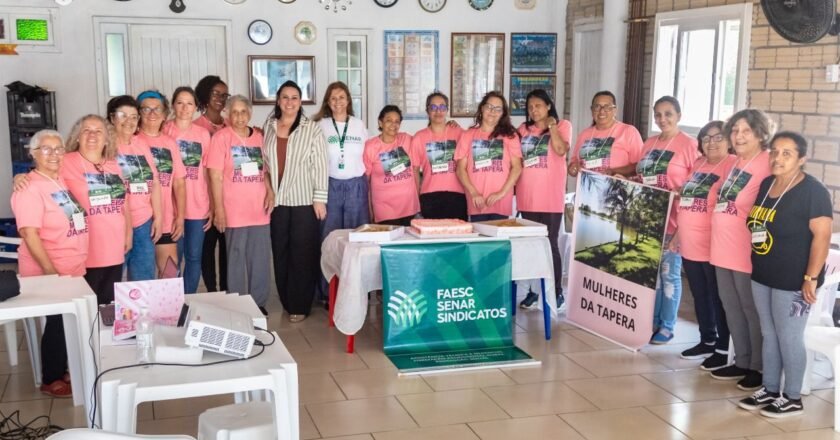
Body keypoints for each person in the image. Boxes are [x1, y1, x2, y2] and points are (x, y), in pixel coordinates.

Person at [738, 131, 833, 418]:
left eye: (787, 153)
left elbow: (822, 237)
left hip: (795, 278)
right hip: (764, 272)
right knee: (769, 334)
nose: (778, 158)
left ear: (801, 159)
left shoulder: (813, 192)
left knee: (789, 336)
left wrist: (811, 278)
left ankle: (792, 396)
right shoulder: (767, 184)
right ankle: (769, 388)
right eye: (775, 152)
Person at [13, 116, 131, 304]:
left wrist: (128, 232)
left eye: (98, 131)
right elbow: (39, 175)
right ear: (77, 137)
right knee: (84, 310)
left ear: (107, 138)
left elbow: (124, 202)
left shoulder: (113, 164)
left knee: (107, 306)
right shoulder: (64, 162)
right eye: (86, 130)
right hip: (85, 254)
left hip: (109, 248)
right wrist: (20, 178)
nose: (92, 135)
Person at [12, 130, 89, 397]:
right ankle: (51, 377)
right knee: (57, 322)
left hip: (71, 268)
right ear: (33, 154)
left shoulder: (59, 181)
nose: (54, 154)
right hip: (49, 270)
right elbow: (29, 234)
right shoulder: (29, 188)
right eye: (46, 149)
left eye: (58, 149)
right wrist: (50, 273)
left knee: (67, 320)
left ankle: (63, 366)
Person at [709, 109, 774, 390]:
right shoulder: (735, 163)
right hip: (722, 247)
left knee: (751, 308)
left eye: (746, 131)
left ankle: (759, 367)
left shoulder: (767, 163)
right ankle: (742, 361)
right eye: (735, 131)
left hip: (746, 248)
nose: (739, 136)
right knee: (731, 306)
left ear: (760, 134)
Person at [263, 80, 328, 323]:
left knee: (302, 254)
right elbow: (265, 165)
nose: (289, 102)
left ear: (301, 102)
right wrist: (268, 190)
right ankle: (287, 301)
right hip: (278, 203)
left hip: (303, 201)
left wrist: (319, 199)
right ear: (278, 101)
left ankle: (300, 304)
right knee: (280, 253)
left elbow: (320, 165)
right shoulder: (268, 126)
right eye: (285, 97)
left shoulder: (311, 128)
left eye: (294, 97)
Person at [636, 96, 700, 344]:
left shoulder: (688, 145)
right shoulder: (649, 143)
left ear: (679, 116)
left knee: (670, 274)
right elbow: (642, 177)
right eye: (658, 115)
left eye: (668, 114)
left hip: (676, 221)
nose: (662, 119)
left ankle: (668, 325)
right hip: (649, 217)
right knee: (652, 275)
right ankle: (653, 320)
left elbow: (695, 185)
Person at [677, 121, 737, 370]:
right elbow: (687, 201)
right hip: (690, 242)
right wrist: (676, 236)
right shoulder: (698, 164)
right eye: (706, 138)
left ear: (729, 140)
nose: (711, 142)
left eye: (718, 137)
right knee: (700, 294)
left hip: (714, 245)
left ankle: (723, 349)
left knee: (718, 298)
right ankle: (707, 340)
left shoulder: (732, 165)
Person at [208, 95, 273, 315]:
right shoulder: (221, 138)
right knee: (235, 257)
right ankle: (237, 303)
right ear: (227, 114)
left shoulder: (259, 138)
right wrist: (219, 209)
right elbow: (215, 176)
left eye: (243, 112)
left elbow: (264, 171)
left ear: (250, 113)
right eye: (234, 112)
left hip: (259, 209)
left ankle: (258, 302)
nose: (238, 117)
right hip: (233, 209)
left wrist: (270, 191)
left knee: (260, 258)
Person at [514, 89, 571, 310]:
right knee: (531, 247)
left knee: (550, 245)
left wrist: (552, 126)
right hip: (527, 197)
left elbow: (560, 149)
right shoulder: (523, 130)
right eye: (529, 107)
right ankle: (534, 291)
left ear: (548, 105)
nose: (533, 110)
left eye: (538, 105)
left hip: (550, 197)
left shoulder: (563, 125)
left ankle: (556, 291)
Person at [313, 82, 369, 304]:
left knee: (357, 239)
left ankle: (357, 292)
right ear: (328, 101)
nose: (337, 102)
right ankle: (328, 293)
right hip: (330, 186)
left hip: (356, 186)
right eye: (333, 98)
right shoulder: (320, 125)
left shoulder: (358, 125)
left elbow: (367, 155)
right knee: (329, 241)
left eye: (342, 97)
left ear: (348, 100)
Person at [108, 95, 162, 281]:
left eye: (133, 116)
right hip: (116, 224)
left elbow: (154, 181)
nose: (129, 121)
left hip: (144, 222)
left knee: (144, 280)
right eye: (123, 115)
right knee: (113, 280)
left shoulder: (141, 144)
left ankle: (141, 312)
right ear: (112, 117)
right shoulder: (104, 146)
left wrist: (158, 216)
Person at [163, 87, 212, 293]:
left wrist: (212, 204)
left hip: (198, 205)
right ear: (173, 105)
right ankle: (170, 299)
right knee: (171, 258)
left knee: (194, 257)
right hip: (170, 206)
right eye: (180, 103)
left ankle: (189, 297)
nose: (184, 108)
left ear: (195, 108)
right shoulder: (164, 130)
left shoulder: (202, 134)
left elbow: (208, 170)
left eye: (189, 103)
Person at [136, 90, 187, 277]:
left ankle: (166, 307)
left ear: (165, 114)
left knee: (169, 273)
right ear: (138, 113)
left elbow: (179, 183)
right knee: (141, 277)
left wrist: (180, 217)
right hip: (138, 220)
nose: (152, 113)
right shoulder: (131, 141)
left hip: (165, 218)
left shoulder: (169, 143)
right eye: (146, 109)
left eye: (157, 109)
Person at [455, 91, 523, 221]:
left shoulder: (510, 136)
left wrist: (501, 193)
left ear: (503, 113)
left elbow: (517, 167)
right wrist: (474, 193)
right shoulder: (467, 135)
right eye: (489, 107)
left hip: (501, 201)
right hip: (477, 202)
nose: (492, 111)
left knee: (498, 241)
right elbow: (460, 169)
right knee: (479, 240)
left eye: (498, 109)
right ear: (482, 108)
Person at [194, 75, 229, 293]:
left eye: (224, 95)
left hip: (229, 199)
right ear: (205, 94)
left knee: (227, 250)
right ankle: (212, 291)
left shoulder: (230, 126)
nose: (220, 98)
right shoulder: (196, 127)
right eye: (216, 93)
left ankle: (226, 290)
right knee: (206, 250)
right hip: (204, 200)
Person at [412, 92, 467, 220]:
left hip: (457, 196)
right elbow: (415, 170)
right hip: (429, 197)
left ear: (447, 110)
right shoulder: (419, 137)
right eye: (433, 107)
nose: (438, 111)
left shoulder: (459, 133)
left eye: (442, 107)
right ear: (427, 111)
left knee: (457, 237)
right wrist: (417, 198)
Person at [364, 105, 421, 225]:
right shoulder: (371, 146)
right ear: (380, 123)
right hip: (385, 210)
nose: (393, 125)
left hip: (409, 207)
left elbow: (426, 138)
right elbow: (366, 182)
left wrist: (448, 125)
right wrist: (369, 210)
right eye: (389, 120)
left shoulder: (406, 139)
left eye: (397, 122)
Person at [568, 90, 643, 178]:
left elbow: (640, 166)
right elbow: (573, 164)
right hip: (586, 189)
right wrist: (573, 168)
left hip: (616, 189)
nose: (602, 111)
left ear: (615, 110)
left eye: (607, 107)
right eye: (597, 107)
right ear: (592, 110)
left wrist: (614, 171)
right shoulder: (584, 134)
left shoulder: (628, 132)